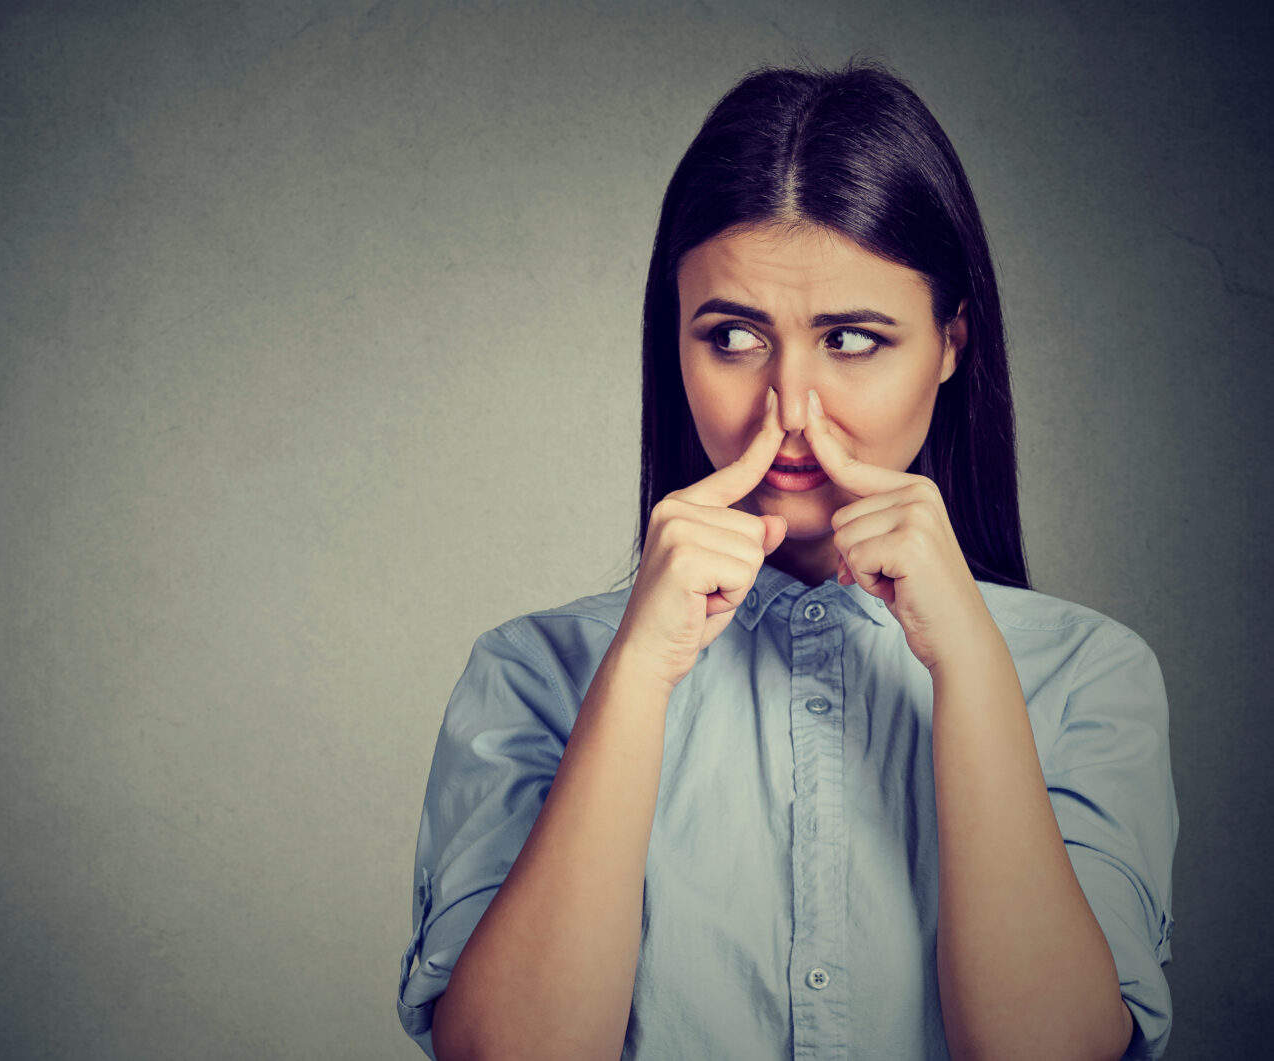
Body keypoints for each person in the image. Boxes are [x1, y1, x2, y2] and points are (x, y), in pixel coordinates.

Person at [396, 56, 1177, 1060]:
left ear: (951, 342)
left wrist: (975, 667)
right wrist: (636, 671)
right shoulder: (530, 673)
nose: (790, 409)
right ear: (673, 344)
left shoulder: (1088, 677)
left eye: (852, 338)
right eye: (731, 336)